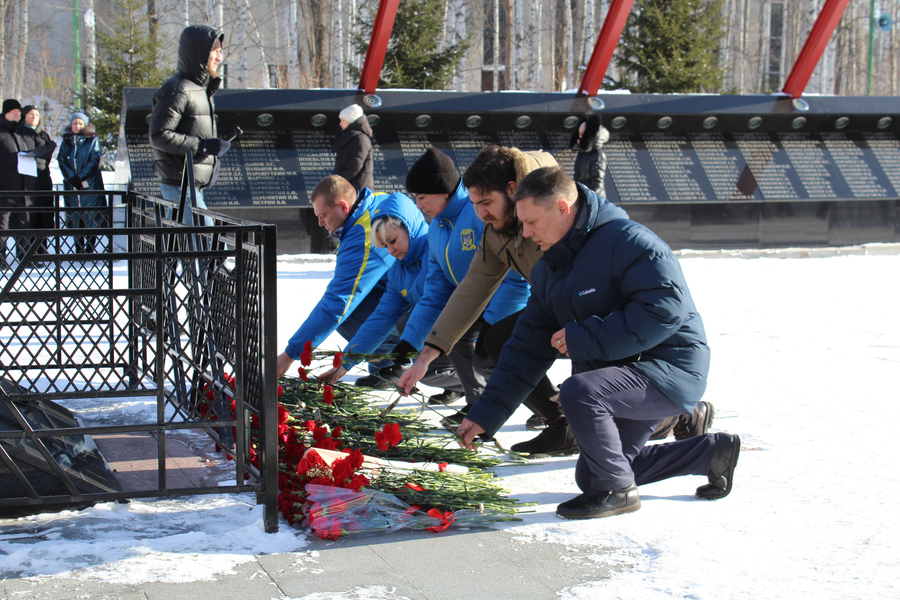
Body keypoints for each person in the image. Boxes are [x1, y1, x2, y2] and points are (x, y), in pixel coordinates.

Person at [456, 166, 739, 519]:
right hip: (618, 375)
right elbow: (525, 348)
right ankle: (710, 453)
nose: (526, 234)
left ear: (562, 208)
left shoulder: (628, 241)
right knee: (592, 475)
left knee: (580, 393)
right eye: (521, 223)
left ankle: (619, 493)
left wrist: (582, 337)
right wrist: (484, 415)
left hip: (668, 368)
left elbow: (664, 311)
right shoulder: (550, 267)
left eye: (531, 222)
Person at [399, 145, 713, 454]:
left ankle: (678, 412)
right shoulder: (497, 228)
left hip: (611, 322)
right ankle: (562, 424)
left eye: (486, 203)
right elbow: (474, 286)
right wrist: (428, 354)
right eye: (474, 205)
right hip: (559, 313)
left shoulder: (559, 213)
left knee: (599, 406)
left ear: (513, 190)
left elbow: (651, 305)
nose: (480, 213)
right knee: (502, 342)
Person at [316, 201, 464, 397]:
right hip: (438, 335)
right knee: (425, 370)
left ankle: (483, 386)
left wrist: (409, 356)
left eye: (393, 241)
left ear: (409, 229)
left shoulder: (436, 252)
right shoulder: (398, 271)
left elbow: (433, 305)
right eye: (385, 246)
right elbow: (381, 318)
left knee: (420, 357)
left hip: (467, 329)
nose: (391, 251)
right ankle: (465, 385)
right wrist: (345, 364)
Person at [275, 175, 402, 379]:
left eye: (323, 215)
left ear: (343, 206)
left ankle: (395, 365)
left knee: (344, 314)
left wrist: (289, 355)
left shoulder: (365, 237)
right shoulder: (373, 202)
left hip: (419, 309)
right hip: (404, 292)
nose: (319, 223)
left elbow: (338, 303)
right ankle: (388, 364)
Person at [149, 25, 229, 226]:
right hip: (181, 185)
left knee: (187, 248)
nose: (219, 57)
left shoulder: (199, 90)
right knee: (206, 245)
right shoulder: (178, 89)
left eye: (220, 51)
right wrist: (202, 146)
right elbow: (159, 135)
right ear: (200, 52)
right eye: (215, 51)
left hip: (189, 185)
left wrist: (213, 145)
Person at [1, 98, 54, 268]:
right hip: (5, 189)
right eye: (15, 111)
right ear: (7, 112)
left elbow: (45, 148)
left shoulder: (27, 132)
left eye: (19, 111)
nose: (19, 113)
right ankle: (1, 260)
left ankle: (26, 258)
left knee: (24, 225)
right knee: (2, 227)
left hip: (26, 189)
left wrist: (43, 150)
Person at [58, 113, 106, 254]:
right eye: (74, 123)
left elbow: (94, 161)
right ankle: (78, 247)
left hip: (90, 184)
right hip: (72, 185)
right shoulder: (66, 141)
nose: (77, 126)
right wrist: (71, 177)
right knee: (75, 215)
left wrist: (80, 177)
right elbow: (61, 160)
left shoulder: (92, 141)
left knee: (90, 214)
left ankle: (90, 246)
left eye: (80, 123)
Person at [20, 106, 58, 244]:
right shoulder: (19, 134)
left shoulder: (44, 135)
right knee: (29, 216)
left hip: (43, 179)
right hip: (26, 181)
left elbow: (45, 161)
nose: (34, 117)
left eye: (36, 114)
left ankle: (41, 248)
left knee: (44, 215)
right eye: (30, 114)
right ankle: (26, 250)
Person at [333, 104, 373, 192]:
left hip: (358, 190)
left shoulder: (361, 139)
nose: (340, 124)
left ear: (351, 121)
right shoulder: (352, 137)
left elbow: (355, 167)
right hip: (351, 188)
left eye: (343, 120)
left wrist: (336, 181)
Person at [570, 113, 609, 195]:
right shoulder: (582, 152)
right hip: (582, 194)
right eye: (579, 133)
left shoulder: (597, 154)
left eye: (583, 133)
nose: (580, 136)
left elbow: (598, 181)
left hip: (591, 198)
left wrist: (591, 199)